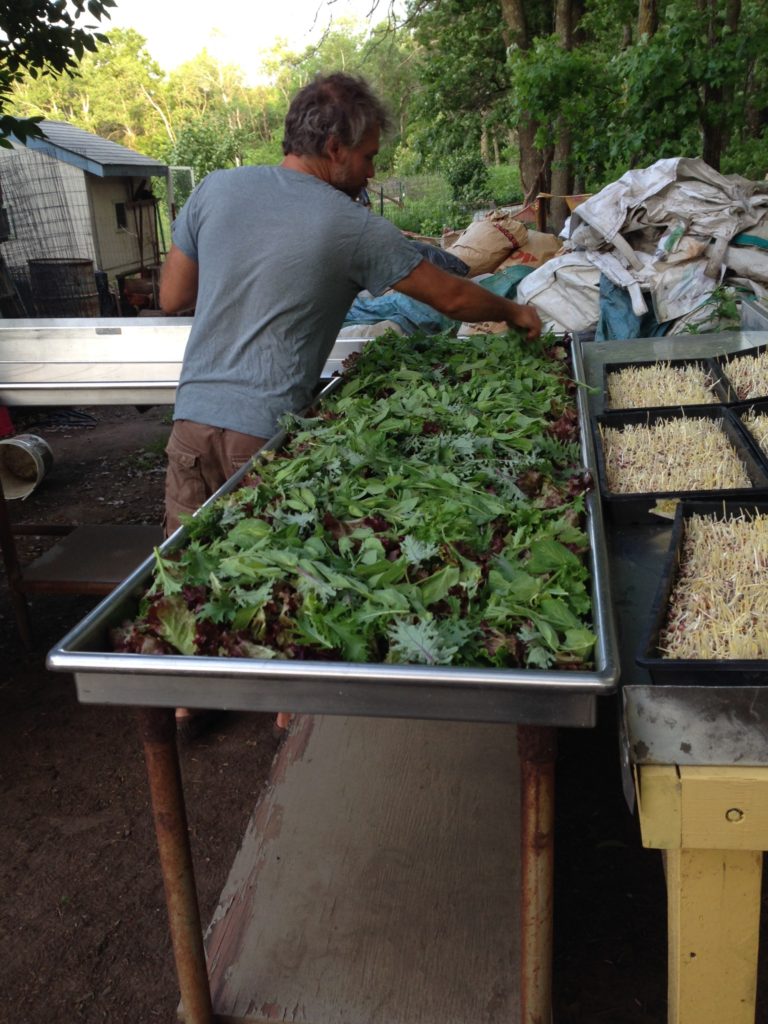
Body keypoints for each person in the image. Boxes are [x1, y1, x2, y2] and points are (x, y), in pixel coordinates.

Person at [159, 71, 541, 736]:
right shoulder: (349, 224)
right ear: (335, 147)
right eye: (367, 157)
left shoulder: (214, 189)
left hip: (191, 419)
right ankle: (291, 710)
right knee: (281, 562)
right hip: (267, 430)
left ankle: (188, 698)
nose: (370, 171)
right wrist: (513, 311)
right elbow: (449, 298)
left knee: (190, 550)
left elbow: (171, 298)